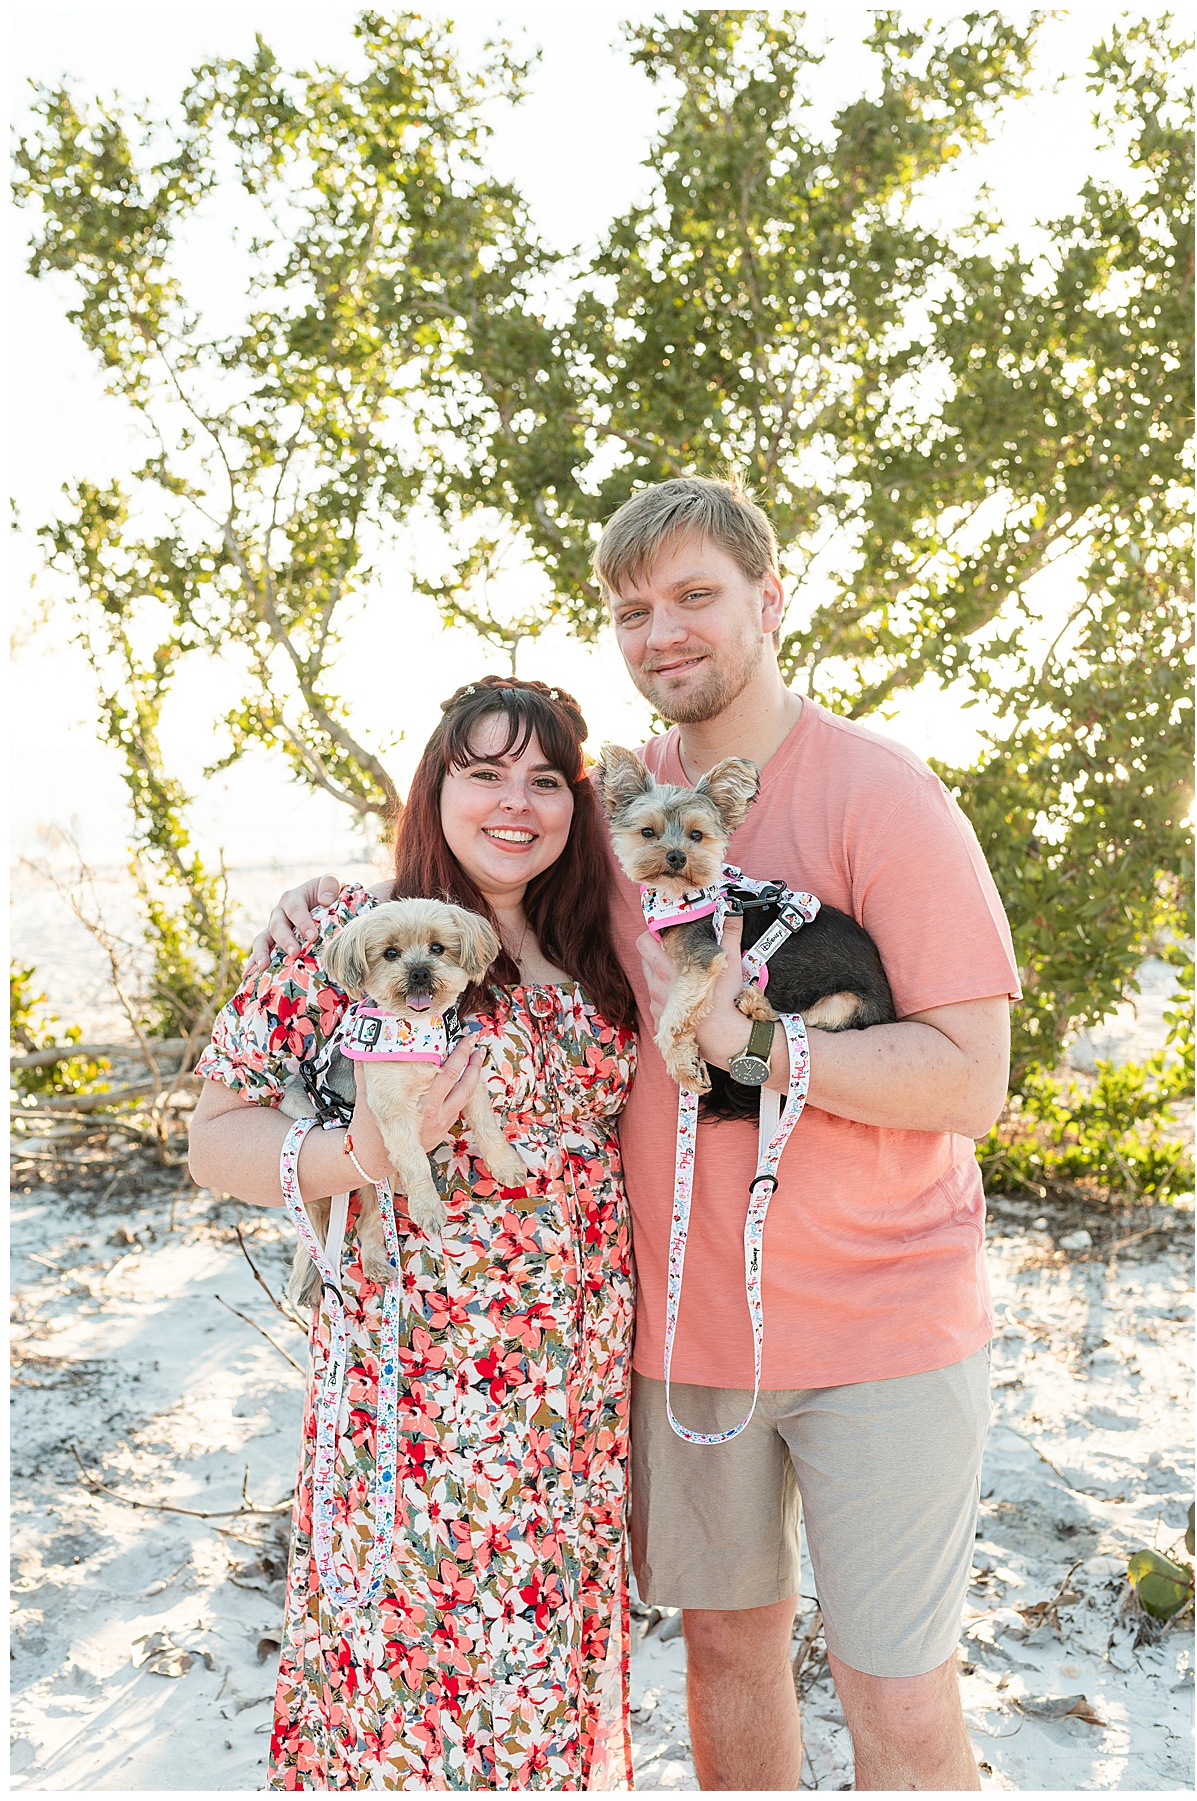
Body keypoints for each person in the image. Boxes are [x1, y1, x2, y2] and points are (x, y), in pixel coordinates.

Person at [256, 476, 1020, 1790]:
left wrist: (769, 1049)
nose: (661, 630)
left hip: (880, 1329)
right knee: (726, 1662)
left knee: (896, 1703)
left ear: (770, 602)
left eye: (694, 598)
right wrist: (326, 916)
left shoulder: (881, 794)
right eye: (630, 609)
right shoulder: (609, 812)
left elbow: (972, 1081)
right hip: (674, 1338)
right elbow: (486, 894)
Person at [190, 677, 643, 1788]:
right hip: (418, 1396)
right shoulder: (350, 937)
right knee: (410, 1674)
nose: (515, 802)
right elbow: (215, 1138)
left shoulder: (605, 949)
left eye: (546, 780)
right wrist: (354, 1161)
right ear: (434, 787)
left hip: (571, 1410)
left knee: (542, 1688)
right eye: (483, 773)